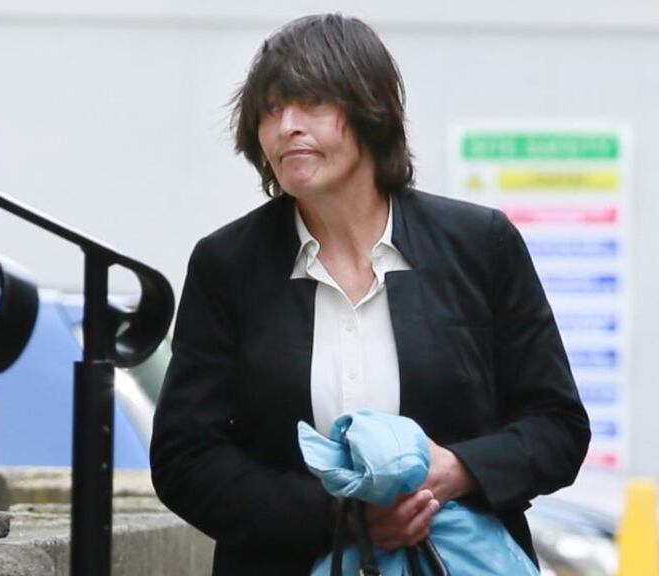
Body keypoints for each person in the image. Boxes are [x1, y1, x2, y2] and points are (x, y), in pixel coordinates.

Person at [150, 13, 590, 576]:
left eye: (311, 103)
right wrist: (334, 515)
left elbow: (557, 426)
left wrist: (456, 469)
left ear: (370, 110)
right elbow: (185, 458)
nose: (286, 126)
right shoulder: (227, 264)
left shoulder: (480, 245)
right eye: (269, 109)